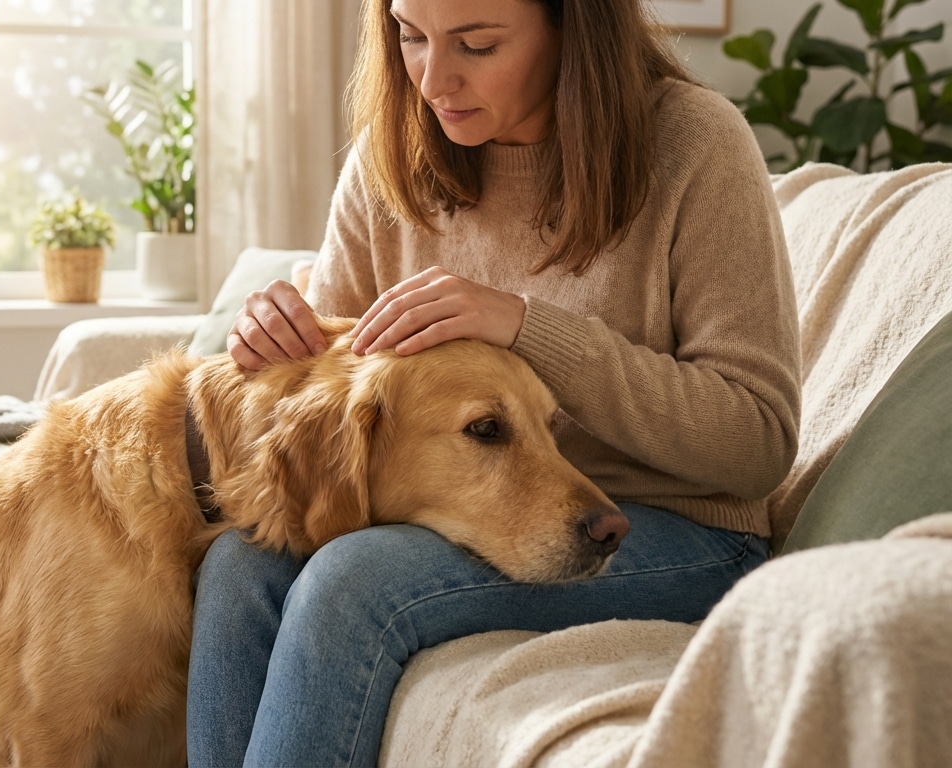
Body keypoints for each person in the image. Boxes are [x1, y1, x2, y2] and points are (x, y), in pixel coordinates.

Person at [186, 0, 801, 765]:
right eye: (410, 37)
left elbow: (759, 438)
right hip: (468, 513)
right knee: (242, 564)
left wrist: (525, 324)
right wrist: (273, 341)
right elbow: (337, 384)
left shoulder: (694, 143)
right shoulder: (392, 151)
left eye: (476, 44)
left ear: (573, 28)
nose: (433, 79)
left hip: (672, 532)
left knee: (350, 582)